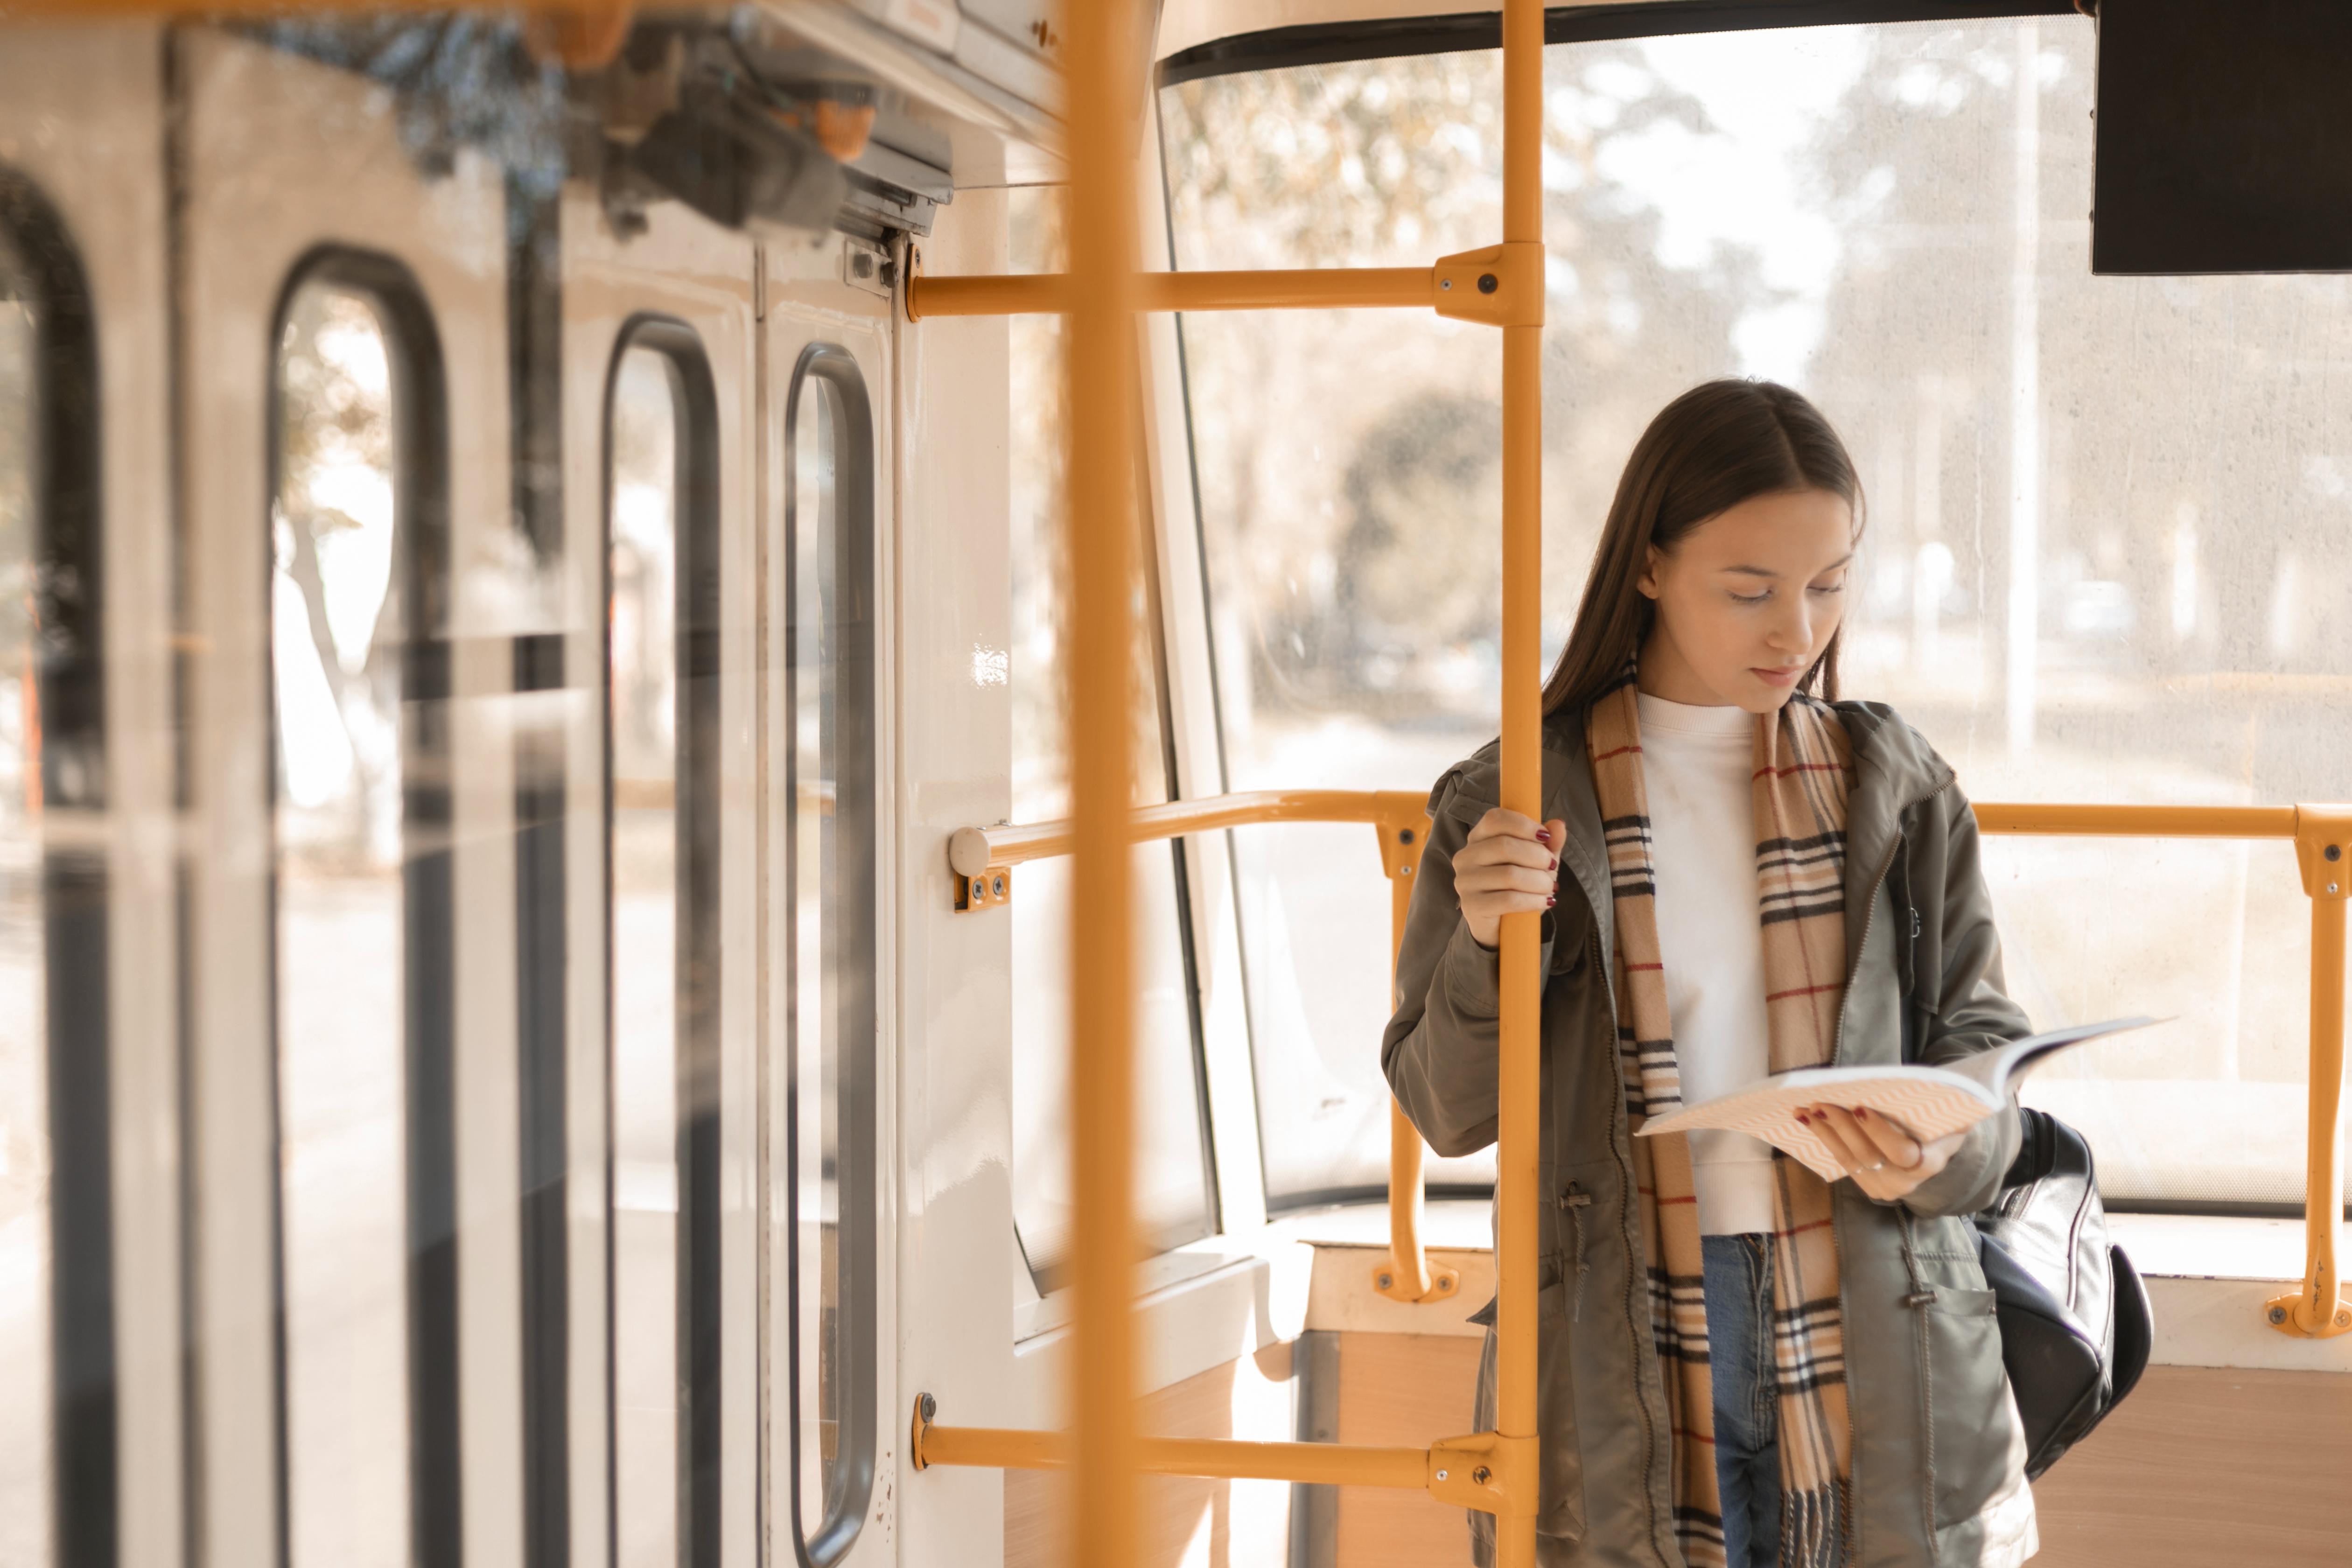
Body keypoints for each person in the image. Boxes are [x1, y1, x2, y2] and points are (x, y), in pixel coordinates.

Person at [1382, 379, 2038, 1568]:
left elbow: (1988, 1052)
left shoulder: (1895, 787)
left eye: (1829, 584)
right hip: (1623, 1324)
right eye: (1750, 591)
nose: (1799, 632)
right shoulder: (1518, 801)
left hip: (1872, 1307)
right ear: (1646, 566)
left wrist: (1944, 1142)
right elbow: (1448, 1108)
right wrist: (1486, 945)